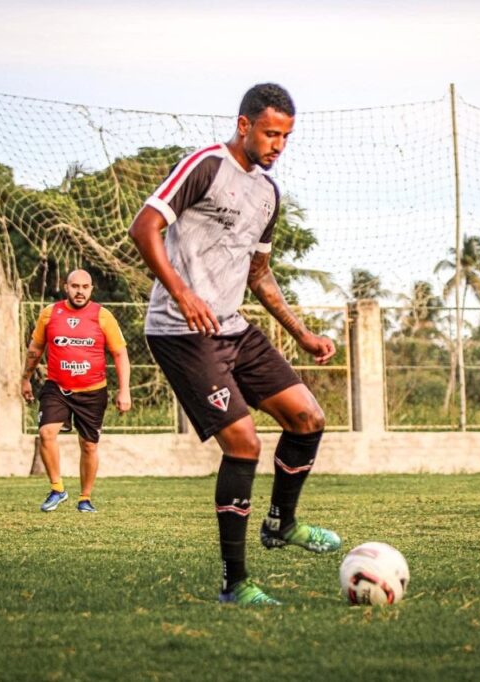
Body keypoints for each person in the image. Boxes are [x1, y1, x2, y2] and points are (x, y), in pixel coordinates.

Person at [128, 83, 340, 606]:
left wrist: (301, 332)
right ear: (244, 124)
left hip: (231, 327)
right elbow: (144, 227)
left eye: (286, 136)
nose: (278, 145)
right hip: (181, 332)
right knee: (244, 444)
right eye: (271, 132)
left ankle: (282, 523)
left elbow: (259, 273)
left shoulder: (267, 193)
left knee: (307, 417)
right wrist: (182, 293)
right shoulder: (204, 164)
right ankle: (235, 583)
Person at [21, 269, 132, 513]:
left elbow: (120, 353)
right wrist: (25, 379)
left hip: (92, 391)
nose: (79, 291)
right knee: (46, 433)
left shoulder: (103, 316)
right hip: (57, 387)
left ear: (91, 289)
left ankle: (85, 498)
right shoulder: (50, 314)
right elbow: (35, 348)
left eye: (85, 286)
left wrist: (124, 391)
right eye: (75, 286)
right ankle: (57, 488)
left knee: (89, 446)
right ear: (65, 286)